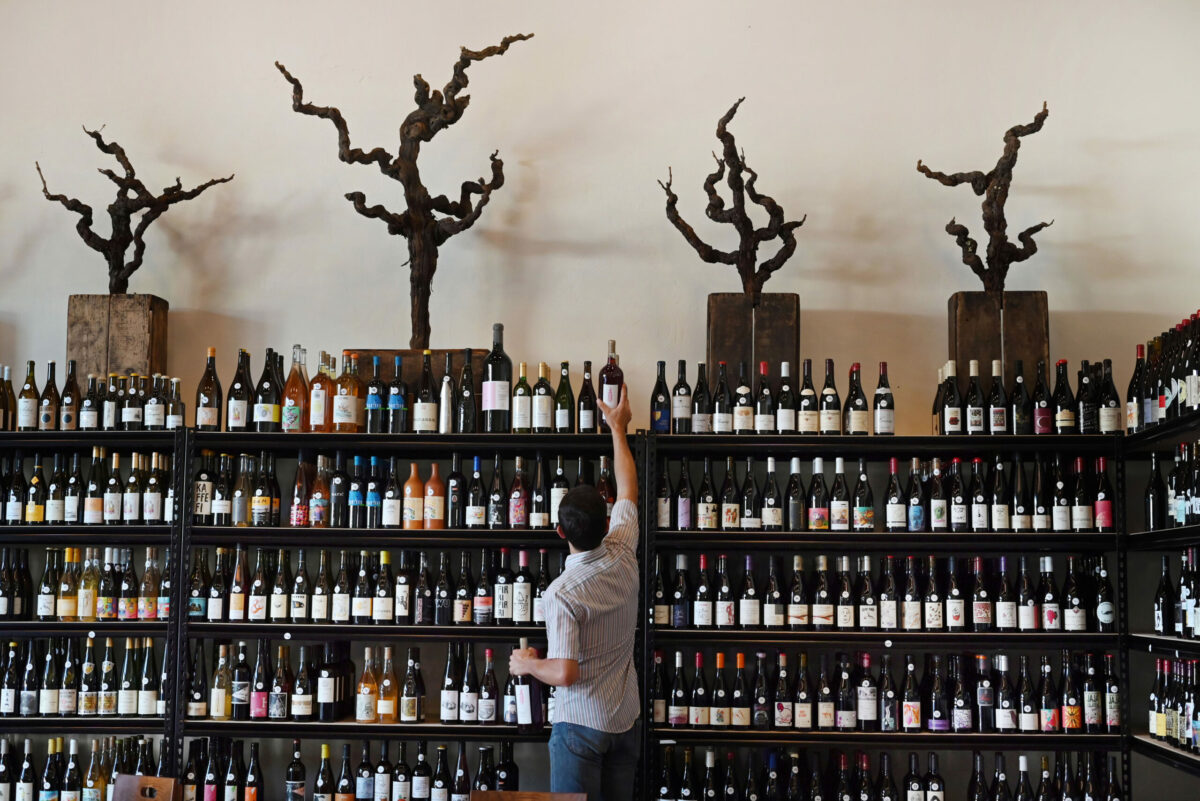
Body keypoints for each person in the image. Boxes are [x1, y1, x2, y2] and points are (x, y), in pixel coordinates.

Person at [508, 384, 639, 801]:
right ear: (606, 522)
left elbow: (565, 673)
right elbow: (629, 487)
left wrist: (527, 665)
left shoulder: (561, 594)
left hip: (580, 728)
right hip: (624, 721)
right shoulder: (623, 549)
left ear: (560, 532)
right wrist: (618, 429)